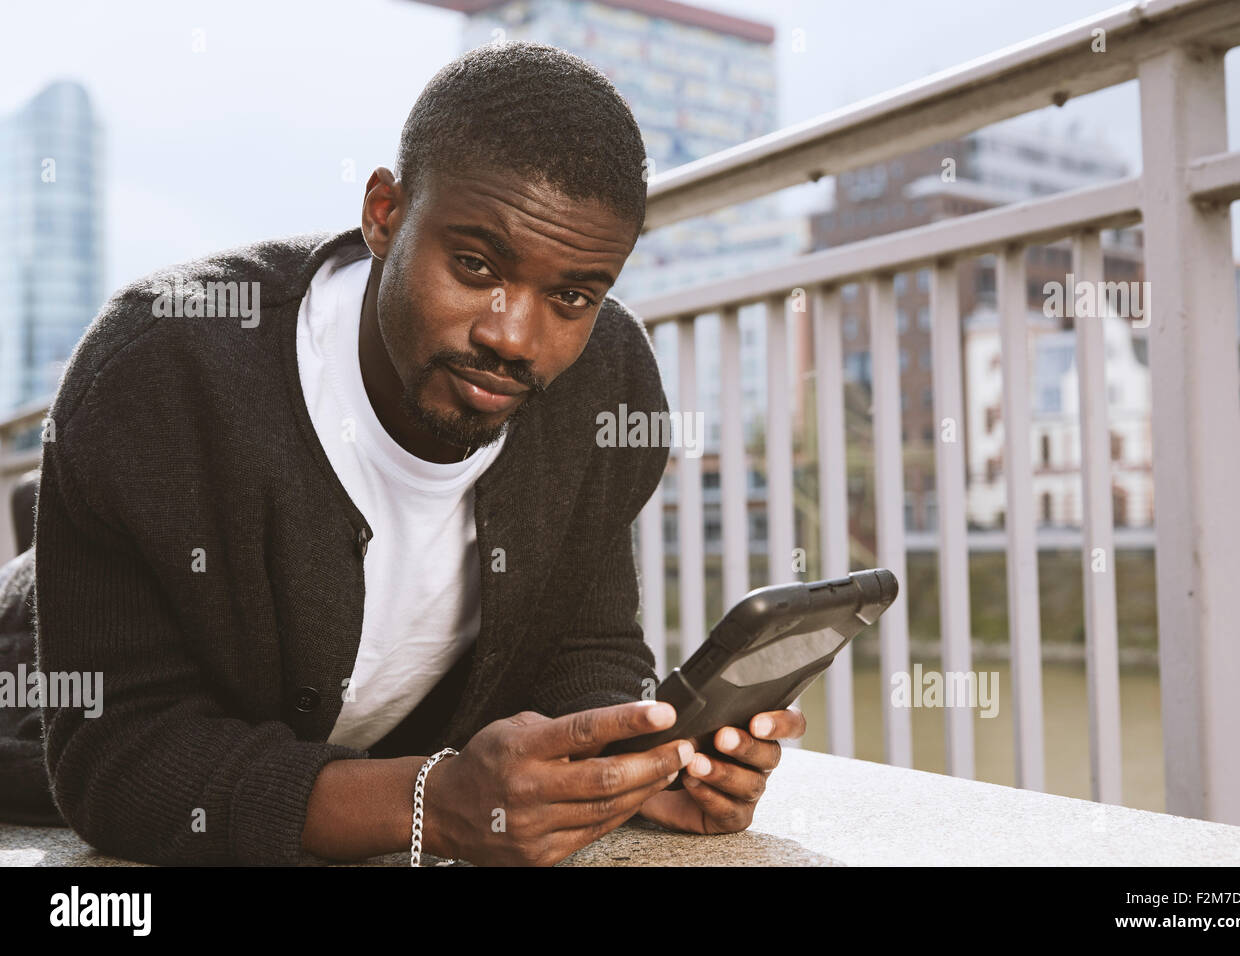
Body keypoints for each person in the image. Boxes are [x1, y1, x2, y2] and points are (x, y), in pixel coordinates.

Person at [10, 40, 805, 866]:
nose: (512, 336)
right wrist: (430, 802)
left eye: (571, 296)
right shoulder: (161, 365)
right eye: (473, 265)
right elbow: (119, 760)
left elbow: (583, 647)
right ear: (385, 215)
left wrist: (630, 766)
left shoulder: (607, 384)